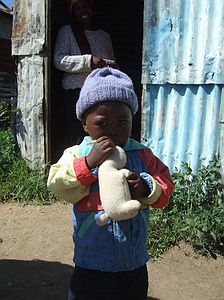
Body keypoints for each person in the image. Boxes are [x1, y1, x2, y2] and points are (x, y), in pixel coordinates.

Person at [47, 67, 175, 300]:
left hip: (133, 262)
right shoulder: (77, 153)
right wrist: (87, 164)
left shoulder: (142, 155)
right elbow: (57, 185)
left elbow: (166, 187)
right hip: (91, 261)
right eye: (102, 124)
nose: (113, 131)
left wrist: (146, 187)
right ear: (85, 124)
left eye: (122, 122)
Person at [54, 0, 118, 147]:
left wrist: (108, 65)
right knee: (76, 133)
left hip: (100, 92)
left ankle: (97, 165)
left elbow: (112, 62)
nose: (83, 11)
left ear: (92, 8)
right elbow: (59, 60)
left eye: (86, 6)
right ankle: (74, 165)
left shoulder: (103, 36)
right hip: (76, 91)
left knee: (99, 131)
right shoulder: (67, 32)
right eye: (78, 8)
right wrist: (89, 61)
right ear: (72, 12)